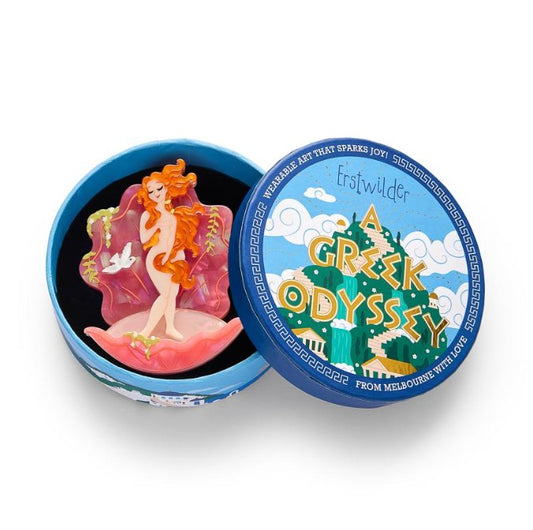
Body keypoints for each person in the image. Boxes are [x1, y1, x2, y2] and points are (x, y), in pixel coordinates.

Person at [136, 159, 205, 340]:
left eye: (159, 188)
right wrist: (156, 225)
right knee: (165, 293)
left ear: (167, 188)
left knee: (172, 293)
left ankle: (170, 327)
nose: (155, 194)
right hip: (157, 258)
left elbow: (173, 238)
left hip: (174, 256)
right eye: (151, 191)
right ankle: (146, 331)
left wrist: (172, 255)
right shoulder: (147, 215)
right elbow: (144, 239)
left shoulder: (173, 216)